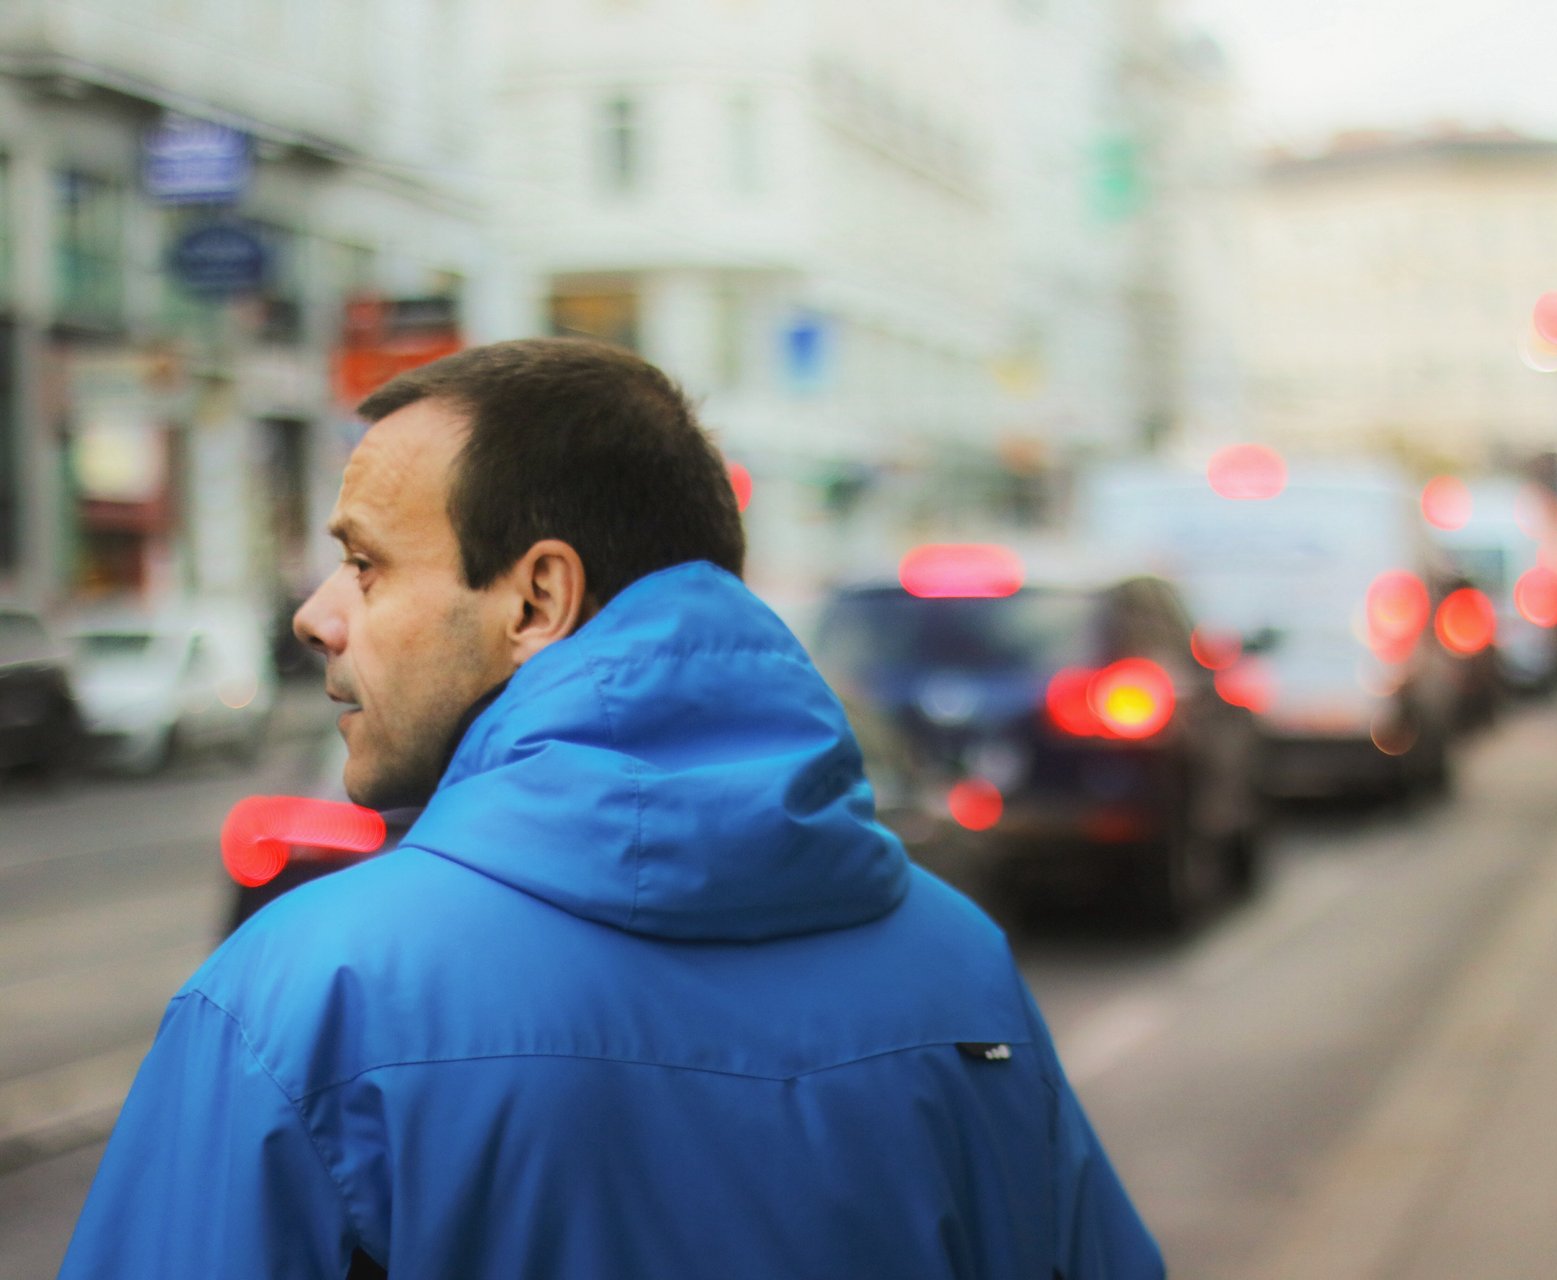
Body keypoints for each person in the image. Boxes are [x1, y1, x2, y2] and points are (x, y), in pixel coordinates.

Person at [60, 339, 1162, 1280]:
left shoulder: (302, 998)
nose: (317, 615)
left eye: (365, 564)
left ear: (538, 598)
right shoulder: (959, 966)